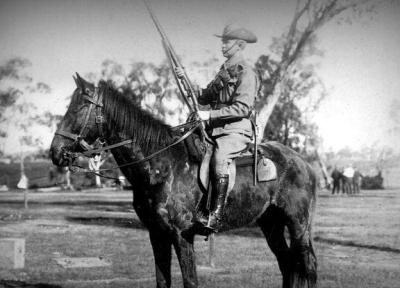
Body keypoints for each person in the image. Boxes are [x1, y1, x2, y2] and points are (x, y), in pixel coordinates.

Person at [176, 24, 259, 231]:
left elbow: (242, 108)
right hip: (215, 128)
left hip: (235, 130)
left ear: (239, 45)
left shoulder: (246, 73)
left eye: (227, 42)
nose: (222, 45)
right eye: (222, 41)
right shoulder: (225, 71)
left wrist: (209, 114)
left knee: (220, 158)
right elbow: (204, 96)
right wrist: (184, 78)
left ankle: (216, 215)